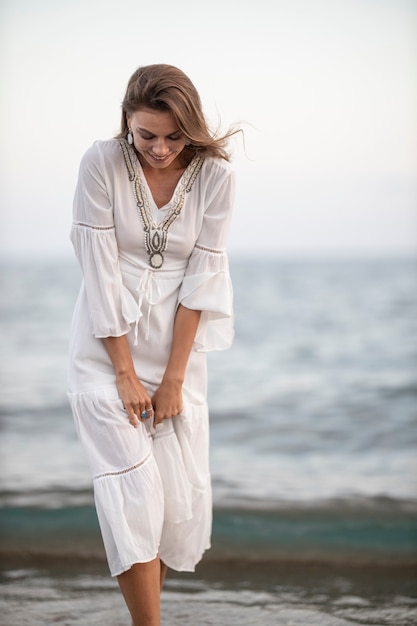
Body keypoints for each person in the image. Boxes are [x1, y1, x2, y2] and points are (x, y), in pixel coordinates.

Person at [67, 64, 238, 626]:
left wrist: (172, 379)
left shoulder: (215, 175)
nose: (160, 149)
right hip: (104, 347)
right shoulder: (101, 162)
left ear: (192, 128)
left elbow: (202, 281)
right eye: (147, 135)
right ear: (127, 123)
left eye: (174, 136)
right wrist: (122, 371)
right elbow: (99, 273)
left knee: (164, 501)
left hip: (174, 353)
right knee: (134, 493)